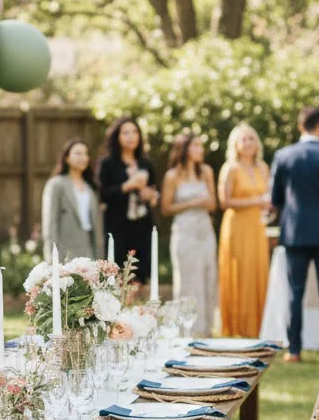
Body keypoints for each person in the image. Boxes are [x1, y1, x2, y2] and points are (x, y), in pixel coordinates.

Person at [270, 107, 319, 363]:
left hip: (295, 233)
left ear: (300, 125)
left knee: (295, 292)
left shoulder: (284, 156)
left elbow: (276, 198)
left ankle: (294, 350)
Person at [160, 131, 217, 336]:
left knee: (208, 277)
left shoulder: (207, 172)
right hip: (184, 230)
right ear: (184, 149)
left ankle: (206, 330)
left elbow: (213, 204)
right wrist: (193, 202)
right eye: (195, 146)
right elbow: (165, 208)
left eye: (201, 146)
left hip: (205, 230)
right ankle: (186, 331)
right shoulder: (173, 176)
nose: (200, 150)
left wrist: (205, 202)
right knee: (186, 281)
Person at [217, 122, 271, 337]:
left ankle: (260, 326)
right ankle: (238, 327)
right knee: (241, 273)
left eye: (251, 139)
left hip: (258, 227)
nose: (248, 143)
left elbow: (268, 198)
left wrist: (267, 206)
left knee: (258, 271)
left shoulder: (263, 167)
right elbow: (225, 201)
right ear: (236, 145)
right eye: (243, 139)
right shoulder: (230, 168)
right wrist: (256, 201)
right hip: (237, 227)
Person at [97, 117, 159, 283]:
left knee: (141, 273)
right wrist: (127, 186)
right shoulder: (108, 164)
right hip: (117, 227)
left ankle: (138, 307)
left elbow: (154, 193)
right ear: (117, 137)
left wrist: (150, 195)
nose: (131, 136)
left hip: (143, 226)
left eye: (135, 132)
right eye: (126, 133)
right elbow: (102, 195)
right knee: (117, 273)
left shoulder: (146, 163)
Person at [41, 138, 103, 261]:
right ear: (67, 158)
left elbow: (96, 225)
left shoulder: (91, 188)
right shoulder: (56, 184)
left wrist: (100, 256)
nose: (83, 157)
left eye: (86, 154)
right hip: (65, 251)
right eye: (78, 153)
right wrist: (51, 258)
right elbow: (50, 223)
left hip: (88, 250)